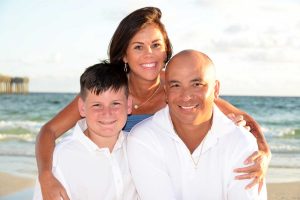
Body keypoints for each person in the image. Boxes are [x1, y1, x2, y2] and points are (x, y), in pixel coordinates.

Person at [36, 7, 270, 200]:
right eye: (139, 47)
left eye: (156, 45)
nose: (149, 54)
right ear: (124, 55)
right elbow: (49, 131)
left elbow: (242, 118)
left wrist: (264, 152)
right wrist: (46, 174)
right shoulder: (111, 93)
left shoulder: (178, 88)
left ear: (166, 49)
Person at [127, 50, 267, 199]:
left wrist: (265, 151)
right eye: (176, 85)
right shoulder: (143, 138)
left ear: (216, 89)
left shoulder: (241, 141)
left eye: (197, 84)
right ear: (166, 92)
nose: (186, 96)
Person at [33, 62, 138, 200]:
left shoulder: (136, 146)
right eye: (97, 105)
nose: (107, 113)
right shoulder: (62, 157)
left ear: (128, 105)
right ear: (82, 108)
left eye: (115, 103)